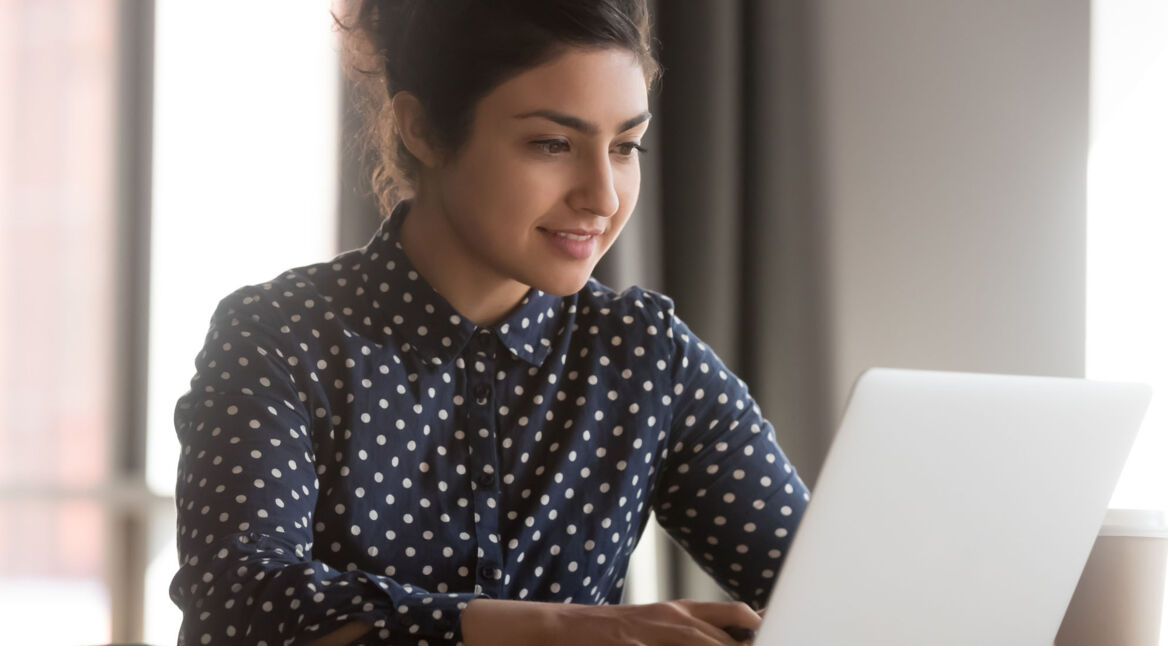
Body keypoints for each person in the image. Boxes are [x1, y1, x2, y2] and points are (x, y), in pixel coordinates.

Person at [168, 1, 810, 644]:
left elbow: (824, 584)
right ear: (421, 128)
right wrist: (562, 629)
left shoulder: (646, 356)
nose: (603, 197)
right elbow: (239, 601)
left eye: (624, 147)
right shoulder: (280, 335)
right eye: (552, 144)